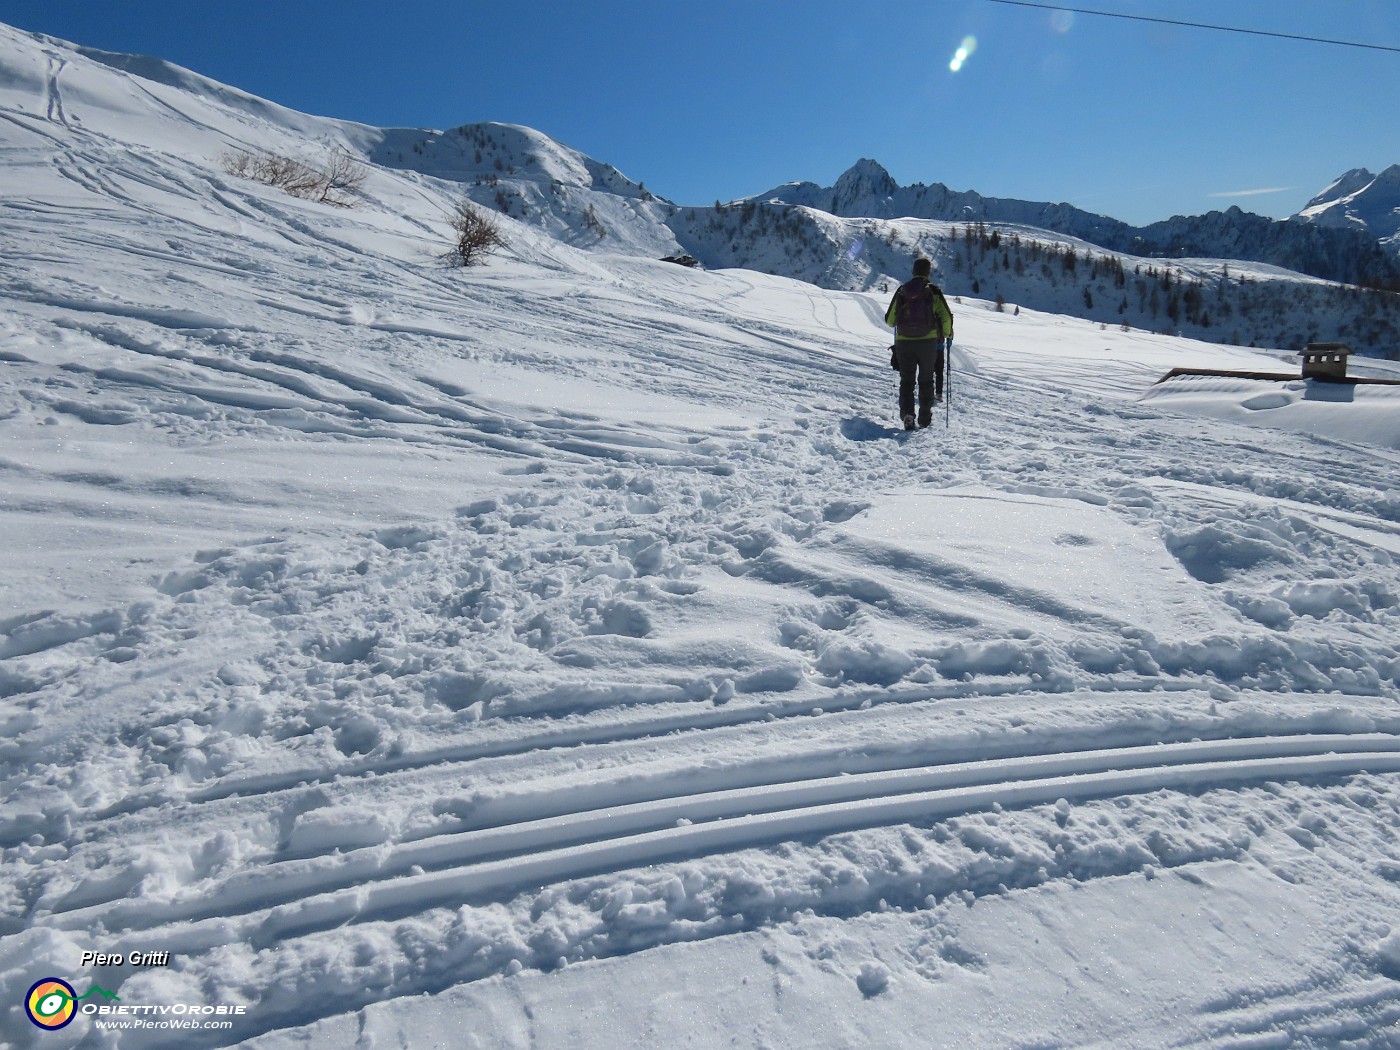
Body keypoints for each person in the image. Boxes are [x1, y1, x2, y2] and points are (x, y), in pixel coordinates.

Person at [884, 257, 954, 429]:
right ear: (928, 273)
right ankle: (924, 419)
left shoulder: (902, 290)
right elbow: (945, 316)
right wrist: (947, 334)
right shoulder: (933, 291)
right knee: (926, 380)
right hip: (928, 342)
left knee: (907, 380)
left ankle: (908, 414)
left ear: (913, 271)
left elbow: (890, 320)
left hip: (904, 342)